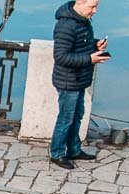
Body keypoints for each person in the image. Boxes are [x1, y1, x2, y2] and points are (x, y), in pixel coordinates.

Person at [49, 0, 109, 170]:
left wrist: (95, 44)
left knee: (77, 116)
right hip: (68, 81)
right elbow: (61, 57)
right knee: (66, 119)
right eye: (92, 6)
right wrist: (90, 59)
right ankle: (57, 153)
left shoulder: (83, 21)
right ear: (80, 3)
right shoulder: (66, 25)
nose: (95, 11)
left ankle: (74, 149)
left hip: (79, 79)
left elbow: (80, 45)